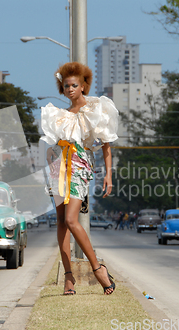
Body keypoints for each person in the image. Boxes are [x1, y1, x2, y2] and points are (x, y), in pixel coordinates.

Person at [41, 62, 118, 296]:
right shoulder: (60, 116)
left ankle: (98, 269)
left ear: (83, 86)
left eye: (74, 85)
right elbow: (53, 143)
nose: (70, 89)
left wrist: (108, 175)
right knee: (62, 222)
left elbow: (106, 146)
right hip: (58, 166)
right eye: (66, 86)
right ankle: (68, 277)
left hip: (80, 166)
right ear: (62, 88)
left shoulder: (96, 109)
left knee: (73, 220)